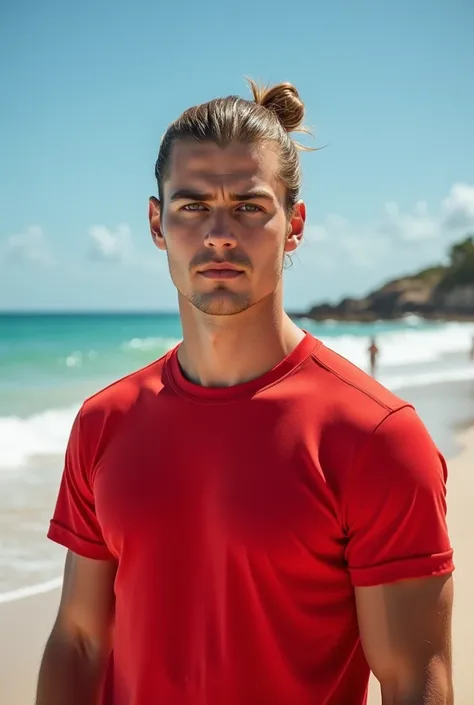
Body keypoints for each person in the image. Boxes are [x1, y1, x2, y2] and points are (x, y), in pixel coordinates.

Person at [36, 80, 454, 705]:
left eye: (250, 207)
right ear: (157, 222)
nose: (220, 233)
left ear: (295, 226)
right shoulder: (105, 421)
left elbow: (413, 685)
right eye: (192, 205)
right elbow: (79, 641)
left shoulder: (376, 438)